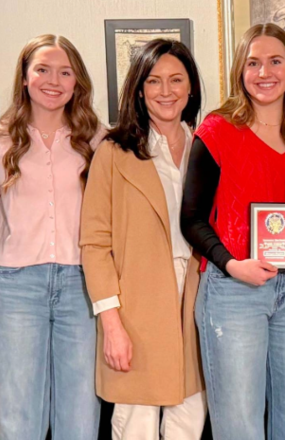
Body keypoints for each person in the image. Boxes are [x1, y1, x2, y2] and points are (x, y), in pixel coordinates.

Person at [180, 23, 285, 440]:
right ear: (240, 71)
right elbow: (191, 219)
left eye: (275, 61)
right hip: (232, 289)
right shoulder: (216, 131)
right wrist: (232, 265)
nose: (265, 72)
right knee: (240, 424)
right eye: (253, 63)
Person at [0, 35, 106, 440]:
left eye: (65, 72)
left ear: (77, 81)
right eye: (43, 70)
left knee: (80, 413)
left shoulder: (97, 139)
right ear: (25, 77)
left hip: (81, 285)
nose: (54, 81)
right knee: (18, 413)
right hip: (18, 287)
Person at [81, 39, 207, 440]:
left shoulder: (208, 148)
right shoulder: (113, 152)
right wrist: (112, 325)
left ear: (191, 87)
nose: (165, 91)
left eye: (176, 80)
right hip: (135, 310)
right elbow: (94, 244)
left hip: (197, 304)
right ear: (139, 89)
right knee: (136, 425)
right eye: (154, 81)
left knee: (189, 422)